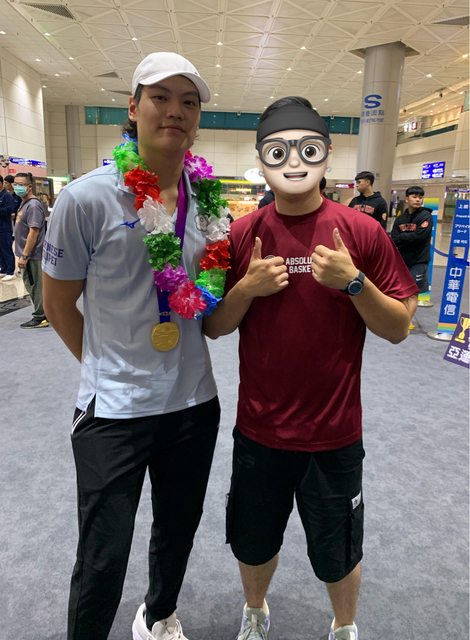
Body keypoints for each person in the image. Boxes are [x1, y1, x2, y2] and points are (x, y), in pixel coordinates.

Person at [204, 96, 418, 640]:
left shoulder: (361, 232)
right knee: (253, 541)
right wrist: (247, 289)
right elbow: (214, 326)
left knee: (339, 547)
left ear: (326, 155)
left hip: (334, 433)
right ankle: (256, 611)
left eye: (308, 149)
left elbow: (399, 327)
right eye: (279, 150)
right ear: (262, 158)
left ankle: (344, 625)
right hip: (261, 430)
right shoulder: (241, 234)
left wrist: (354, 283)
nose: (294, 161)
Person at [42, 51, 228, 640]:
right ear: (133, 106)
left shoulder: (210, 201)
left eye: (188, 102)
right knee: (103, 553)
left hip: (193, 403)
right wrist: (104, 366)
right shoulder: (86, 198)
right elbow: (57, 303)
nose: (175, 111)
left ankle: (158, 615)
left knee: (178, 531)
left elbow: (211, 307)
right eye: (160, 97)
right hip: (114, 411)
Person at [13, 172, 49, 327]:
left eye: (20, 184)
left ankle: (41, 316)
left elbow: (33, 232)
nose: (17, 187)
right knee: (32, 284)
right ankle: (43, 314)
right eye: (15, 184)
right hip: (28, 254)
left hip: (33, 254)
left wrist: (25, 255)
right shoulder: (25, 203)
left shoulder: (33, 205)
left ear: (29, 187)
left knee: (36, 286)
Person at [390, 186, 433, 293]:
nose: (418, 200)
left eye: (420, 197)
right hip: (402, 261)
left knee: (413, 292)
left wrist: (402, 236)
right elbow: (394, 239)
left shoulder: (426, 216)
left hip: (419, 261)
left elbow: (420, 236)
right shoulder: (400, 219)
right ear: (406, 199)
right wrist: (409, 237)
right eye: (414, 197)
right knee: (400, 291)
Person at [0, 174, 17, 281]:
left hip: (5, 228)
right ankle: (3, 269)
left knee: (6, 249)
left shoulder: (7, 196)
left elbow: (9, 209)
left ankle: (10, 271)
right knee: (0, 250)